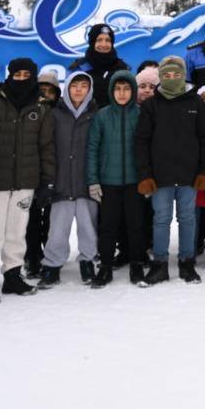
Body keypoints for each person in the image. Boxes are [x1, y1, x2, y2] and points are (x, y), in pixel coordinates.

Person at [0, 57, 53, 303]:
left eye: (26, 76)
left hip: (25, 182)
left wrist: (47, 181)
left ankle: (12, 274)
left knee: (16, 232)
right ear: (9, 76)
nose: (21, 80)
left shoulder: (41, 110)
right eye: (16, 75)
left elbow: (47, 148)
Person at [134, 55, 205, 285]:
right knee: (161, 219)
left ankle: (187, 263)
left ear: (183, 76)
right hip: (160, 178)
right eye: (167, 75)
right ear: (161, 78)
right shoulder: (151, 105)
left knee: (188, 219)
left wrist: (204, 171)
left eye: (176, 74)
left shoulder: (195, 103)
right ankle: (159, 264)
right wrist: (145, 174)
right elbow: (141, 142)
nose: (171, 78)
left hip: (189, 176)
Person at [86, 69, 148, 288]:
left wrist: (148, 178)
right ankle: (105, 266)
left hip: (135, 182)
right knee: (108, 226)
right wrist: (93, 180)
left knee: (136, 225)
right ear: (112, 91)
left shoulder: (141, 114)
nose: (122, 93)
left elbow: (148, 149)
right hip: (108, 182)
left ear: (133, 90)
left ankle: (137, 265)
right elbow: (92, 149)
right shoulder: (102, 116)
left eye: (127, 88)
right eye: (118, 89)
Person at [40, 70, 100, 288]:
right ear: (67, 88)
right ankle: (52, 265)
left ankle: (87, 261)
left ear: (89, 90)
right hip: (61, 182)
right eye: (74, 86)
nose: (78, 90)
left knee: (88, 226)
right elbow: (47, 147)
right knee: (57, 228)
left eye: (84, 86)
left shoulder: (96, 114)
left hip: (86, 183)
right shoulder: (55, 114)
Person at [26, 63, 66, 277]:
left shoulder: (59, 113)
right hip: (30, 172)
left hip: (54, 173)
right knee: (30, 220)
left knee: (51, 219)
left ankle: (49, 255)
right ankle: (31, 257)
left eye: (51, 91)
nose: (46, 95)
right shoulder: (27, 110)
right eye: (42, 90)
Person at [69, 23, 129, 109]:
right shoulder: (79, 67)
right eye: (99, 40)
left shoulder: (122, 68)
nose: (104, 44)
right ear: (92, 42)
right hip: (86, 120)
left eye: (108, 40)